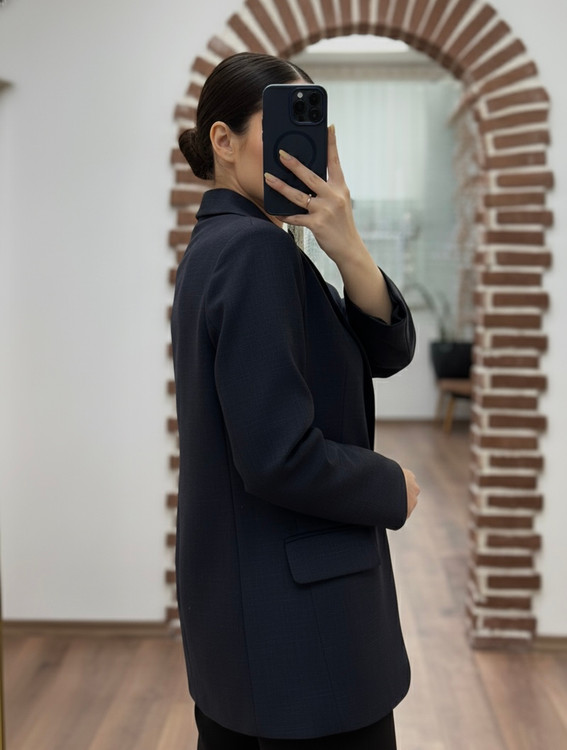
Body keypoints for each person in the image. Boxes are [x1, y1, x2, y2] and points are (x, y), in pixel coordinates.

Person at [171, 52, 420, 750]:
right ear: (222, 141)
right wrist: (390, 486)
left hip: (253, 621)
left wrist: (347, 246)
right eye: (281, 123)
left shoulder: (223, 246)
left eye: (309, 127)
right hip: (304, 634)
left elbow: (387, 351)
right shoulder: (256, 252)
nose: (298, 147)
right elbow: (277, 456)